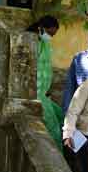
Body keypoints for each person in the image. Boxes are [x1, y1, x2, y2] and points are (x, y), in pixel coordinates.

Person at [26, 16, 63, 148]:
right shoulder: (27, 41)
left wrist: (48, 89)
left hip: (43, 93)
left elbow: (46, 67)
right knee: (53, 128)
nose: (51, 37)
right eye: (50, 33)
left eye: (53, 35)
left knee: (61, 116)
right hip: (34, 94)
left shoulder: (45, 42)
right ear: (41, 27)